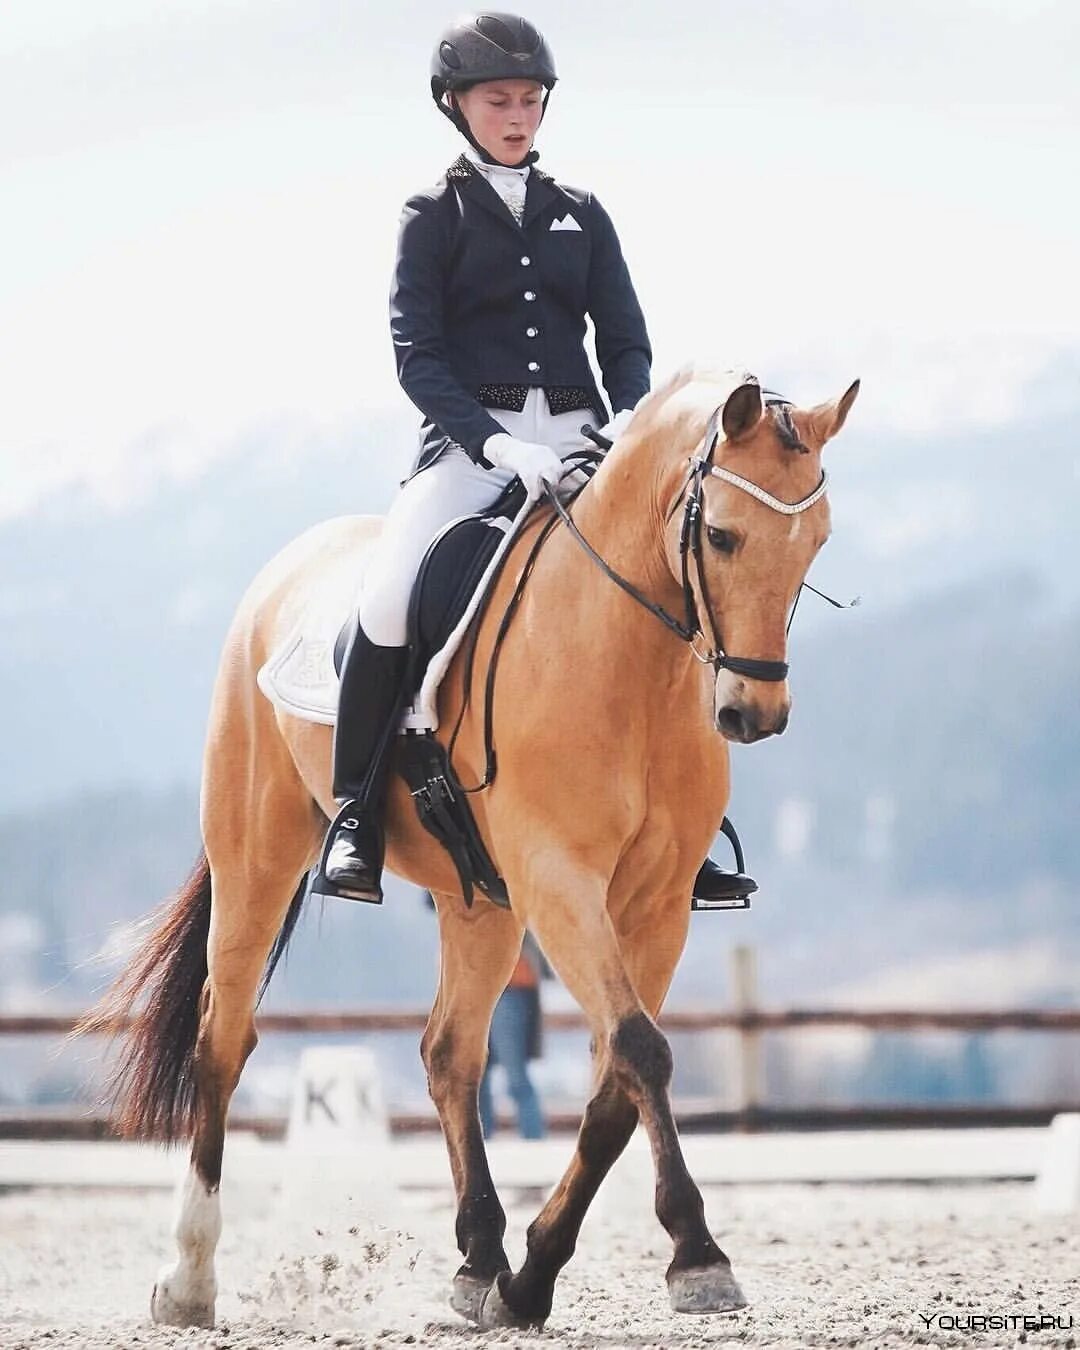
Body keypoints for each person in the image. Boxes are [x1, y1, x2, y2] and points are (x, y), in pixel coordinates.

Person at [321, 12, 756, 909]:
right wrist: (494, 442)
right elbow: (418, 357)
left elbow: (625, 338)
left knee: (672, 581)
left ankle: (688, 825)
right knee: (391, 591)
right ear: (458, 106)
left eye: (529, 99)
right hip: (472, 447)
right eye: (498, 100)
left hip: (583, 439)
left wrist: (626, 422)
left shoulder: (580, 215)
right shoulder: (431, 216)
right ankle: (354, 814)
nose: (518, 115)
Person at [478, 931, 547, 1139]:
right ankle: (479, 1141)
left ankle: (533, 1143)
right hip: (478, 987)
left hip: (509, 987)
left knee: (515, 1075)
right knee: (476, 1076)